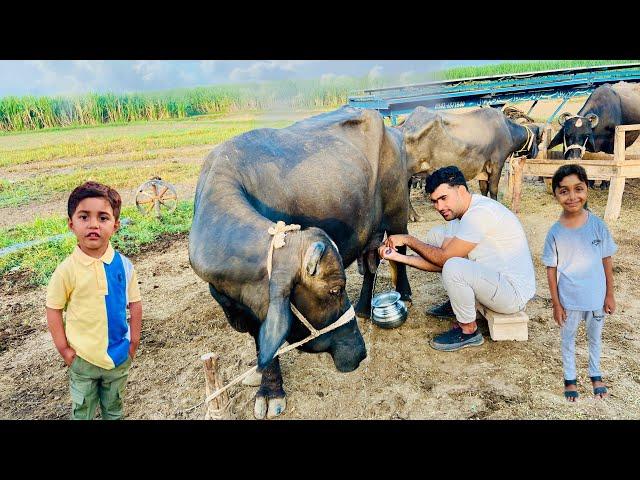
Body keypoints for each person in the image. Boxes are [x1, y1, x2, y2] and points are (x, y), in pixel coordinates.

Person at [378, 165, 536, 351]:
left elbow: (445, 261)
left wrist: (408, 240)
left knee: (453, 266)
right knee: (436, 237)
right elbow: (439, 261)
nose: (439, 207)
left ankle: (468, 331)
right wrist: (397, 257)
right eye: (435, 201)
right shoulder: (457, 215)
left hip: (512, 294)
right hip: (493, 279)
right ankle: (459, 303)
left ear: (461, 190)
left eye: (444, 198)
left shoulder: (479, 214)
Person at [46, 181, 142, 419]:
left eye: (102, 218)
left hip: (119, 357)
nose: (93, 225)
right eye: (84, 217)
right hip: (82, 359)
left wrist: (133, 343)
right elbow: (54, 309)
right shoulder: (66, 270)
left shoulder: (124, 266)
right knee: (83, 411)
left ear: (115, 225)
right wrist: (64, 349)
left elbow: (135, 304)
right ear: (71, 224)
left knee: (114, 408)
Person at [542, 164, 616, 401]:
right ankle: (570, 378)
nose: (572, 197)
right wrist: (556, 304)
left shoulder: (598, 226)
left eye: (578, 189)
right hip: (569, 302)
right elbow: (551, 270)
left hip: (596, 300)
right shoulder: (554, 233)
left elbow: (606, 261)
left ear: (587, 190)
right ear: (555, 194)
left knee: (595, 338)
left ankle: (595, 374)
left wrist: (609, 295)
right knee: (568, 340)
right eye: (564, 191)